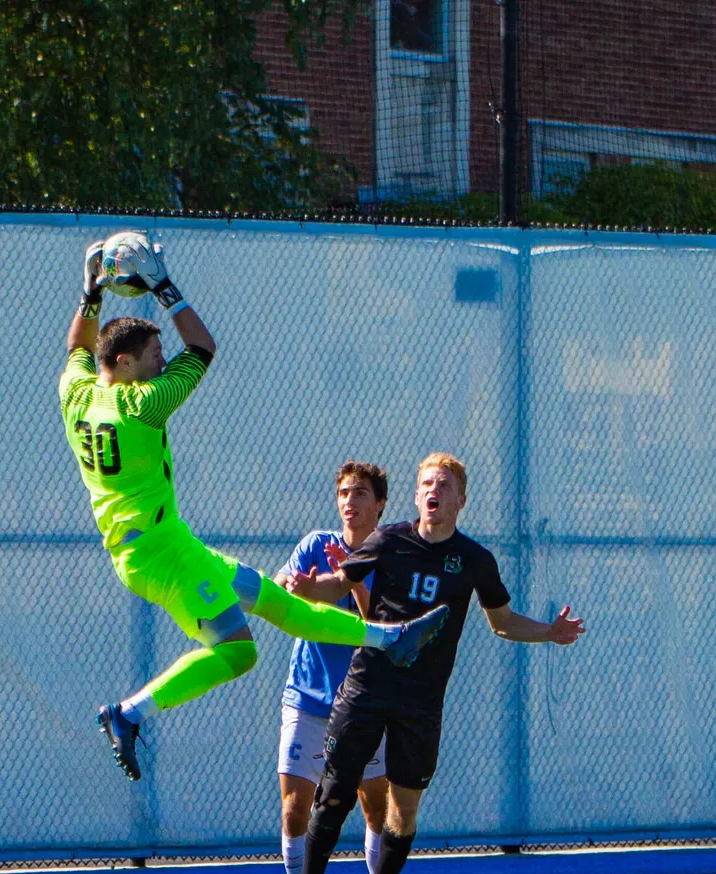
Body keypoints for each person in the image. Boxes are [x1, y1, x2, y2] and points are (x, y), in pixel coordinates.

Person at [59, 235, 450, 780]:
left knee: (276, 604)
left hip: (168, 544)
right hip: (159, 557)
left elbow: (77, 349)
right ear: (125, 363)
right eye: (153, 356)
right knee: (240, 653)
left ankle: (392, 639)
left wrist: (90, 293)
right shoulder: (143, 405)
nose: (162, 360)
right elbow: (202, 347)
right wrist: (164, 287)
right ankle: (128, 714)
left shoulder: (74, 393)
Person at [277, 452, 586, 874]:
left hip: (420, 704)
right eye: (425, 483)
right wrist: (312, 587)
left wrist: (549, 632)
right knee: (331, 794)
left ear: (460, 499)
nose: (431, 490)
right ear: (416, 494)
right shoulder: (390, 539)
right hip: (365, 688)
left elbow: (502, 621)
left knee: (403, 812)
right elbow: (345, 580)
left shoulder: (475, 560)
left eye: (442, 484)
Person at [274, 461, 426, 874]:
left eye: (360, 493)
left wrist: (351, 574)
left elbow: (379, 625)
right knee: (297, 809)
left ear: (380, 503)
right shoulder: (316, 543)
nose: (349, 501)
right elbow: (285, 590)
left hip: (366, 700)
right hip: (310, 698)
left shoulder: (390, 553)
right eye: (343, 492)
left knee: (375, 810)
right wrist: (291, 585)